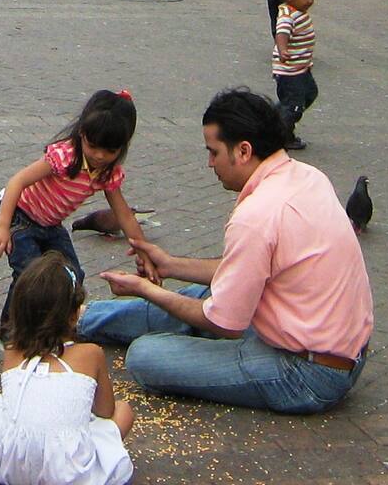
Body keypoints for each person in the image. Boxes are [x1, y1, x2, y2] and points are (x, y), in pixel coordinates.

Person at [77, 88, 373, 414]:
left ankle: (93, 322)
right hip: (339, 350)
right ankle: (81, 318)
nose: (209, 163)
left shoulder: (258, 214)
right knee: (199, 292)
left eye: (213, 152)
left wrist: (147, 290)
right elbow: (246, 269)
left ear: (243, 151)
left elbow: (223, 322)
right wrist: (170, 265)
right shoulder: (307, 177)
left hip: (308, 373)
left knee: (146, 356)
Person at [0, 91, 149, 338]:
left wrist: (144, 250)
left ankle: (56, 328)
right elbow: (17, 182)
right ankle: (10, 333)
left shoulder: (108, 173)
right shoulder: (65, 156)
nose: (99, 156)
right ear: (82, 134)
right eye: (93, 146)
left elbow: (124, 215)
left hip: (50, 224)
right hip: (20, 214)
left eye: (110, 150)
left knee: (73, 275)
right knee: (29, 274)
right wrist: (2, 225)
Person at [0, 252, 135, 485]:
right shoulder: (91, 353)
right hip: (67, 472)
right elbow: (105, 412)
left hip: (13, 466)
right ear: (73, 315)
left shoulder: (11, 350)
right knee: (124, 410)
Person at [273, 0, 321, 151]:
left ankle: (275, 117)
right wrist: (283, 49)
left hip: (301, 68)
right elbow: (282, 33)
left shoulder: (298, 11)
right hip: (289, 71)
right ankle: (283, 135)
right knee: (294, 105)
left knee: (310, 93)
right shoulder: (287, 15)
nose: (309, 1)